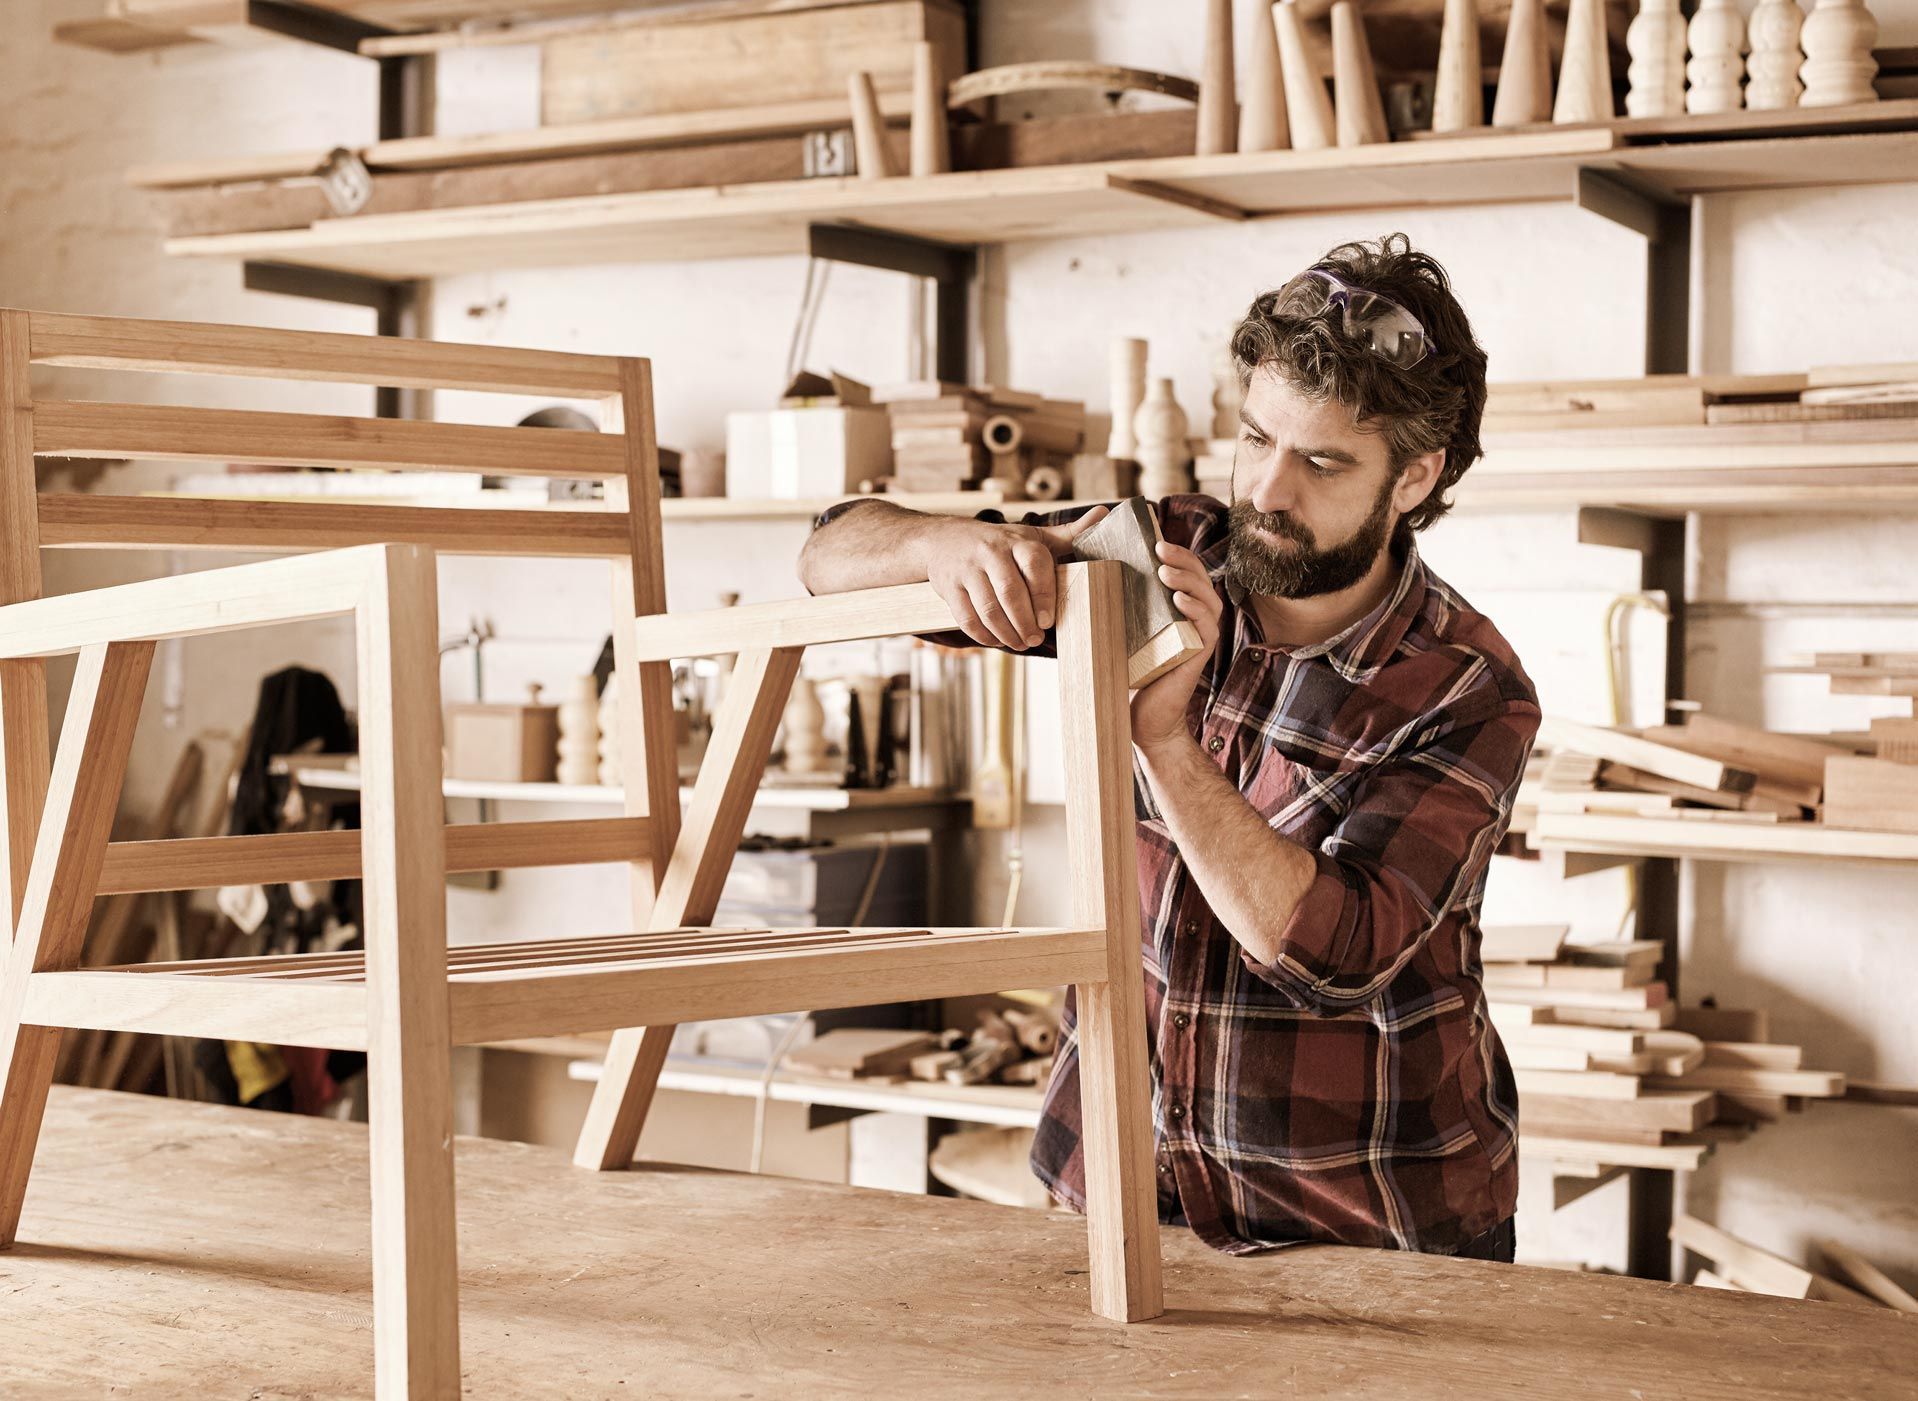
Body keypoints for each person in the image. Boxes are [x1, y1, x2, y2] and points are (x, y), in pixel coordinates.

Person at [797, 233, 1539, 1261]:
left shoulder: (1465, 685)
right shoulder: (1158, 554)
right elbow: (829, 552)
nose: (1268, 492)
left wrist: (1162, 738)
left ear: (1413, 478)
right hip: (1118, 1196)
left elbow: (1331, 955)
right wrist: (941, 545)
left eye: (1321, 461)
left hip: (1365, 1226)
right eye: (1254, 438)